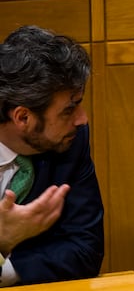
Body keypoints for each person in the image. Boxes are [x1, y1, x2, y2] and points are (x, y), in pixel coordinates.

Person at [0, 25, 104, 286]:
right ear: (23, 117)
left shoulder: (71, 141)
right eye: (69, 109)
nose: (82, 119)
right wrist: (2, 241)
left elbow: (85, 250)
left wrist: (8, 271)